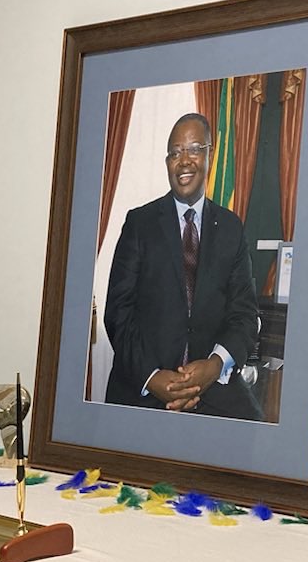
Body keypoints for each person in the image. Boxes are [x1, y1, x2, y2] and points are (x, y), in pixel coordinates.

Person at [103, 113, 262, 420]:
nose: (184, 160)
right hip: (146, 382)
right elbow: (118, 312)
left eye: (194, 149)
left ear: (210, 155)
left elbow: (244, 313)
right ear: (167, 163)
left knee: (258, 435)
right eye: (175, 153)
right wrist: (153, 377)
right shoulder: (139, 223)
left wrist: (214, 366)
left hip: (213, 381)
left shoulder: (231, 228)